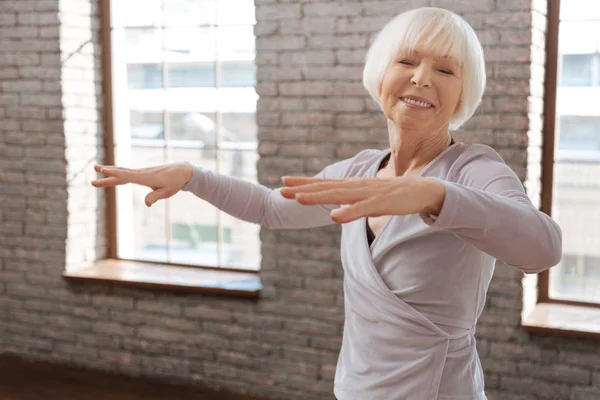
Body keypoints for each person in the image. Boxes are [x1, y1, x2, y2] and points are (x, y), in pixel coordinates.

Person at [92, 7, 562, 400]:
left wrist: (437, 194)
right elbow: (271, 208)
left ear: (463, 93)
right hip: (357, 389)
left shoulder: (473, 170)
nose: (421, 79)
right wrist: (193, 176)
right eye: (407, 61)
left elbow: (542, 248)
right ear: (381, 75)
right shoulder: (359, 171)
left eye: (445, 70)